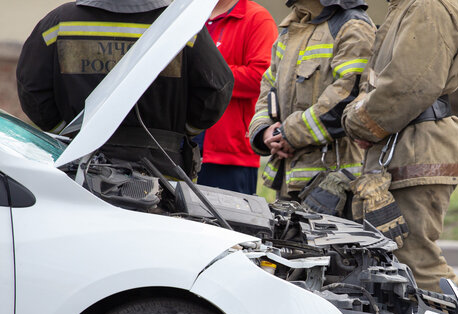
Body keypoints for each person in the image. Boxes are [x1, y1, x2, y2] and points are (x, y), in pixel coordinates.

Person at [16, 0, 233, 178]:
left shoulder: (59, 23)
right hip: (161, 173)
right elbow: (216, 89)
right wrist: (178, 131)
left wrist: (67, 133)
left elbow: (31, 88)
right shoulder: (181, 25)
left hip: (80, 167)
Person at [341, 0, 458, 294]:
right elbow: (378, 81)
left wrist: (363, 123)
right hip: (402, 146)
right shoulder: (405, 6)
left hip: (416, 149)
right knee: (395, 266)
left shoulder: (426, 6)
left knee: (417, 265)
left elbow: (409, 85)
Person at [247, 0, 374, 200]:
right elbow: (269, 86)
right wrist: (264, 130)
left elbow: (348, 94)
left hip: (335, 186)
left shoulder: (353, 26)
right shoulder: (292, 27)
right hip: (290, 182)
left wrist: (290, 133)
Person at [196, 0, 277, 194]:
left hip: (230, 152)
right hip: (177, 147)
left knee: (223, 223)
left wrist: (205, 74)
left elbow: (261, 77)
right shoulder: (189, 16)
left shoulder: (257, 19)